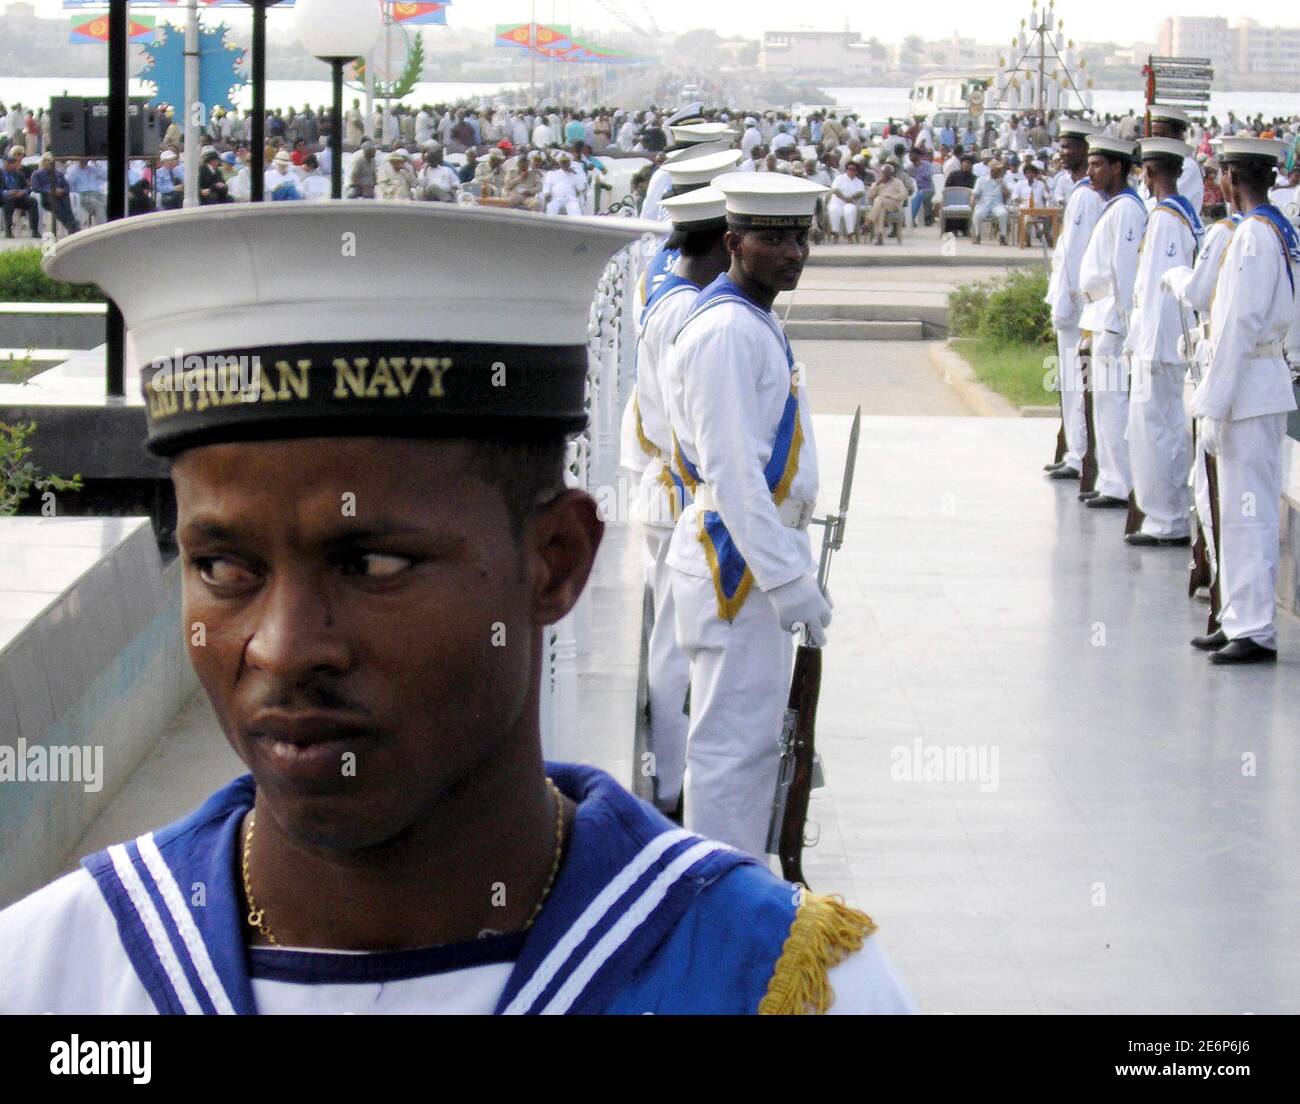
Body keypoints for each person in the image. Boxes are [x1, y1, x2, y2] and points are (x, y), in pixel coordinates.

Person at [7, 202, 914, 1016]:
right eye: (224, 566)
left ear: (555, 563)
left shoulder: (772, 985)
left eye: (372, 563)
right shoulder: (53, 975)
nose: (283, 649)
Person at [665, 171, 832, 861]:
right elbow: (734, 475)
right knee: (732, 749)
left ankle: (736, 881)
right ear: (732, 242)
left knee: (751, 740)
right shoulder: (729, 331)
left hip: (750, 561)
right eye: (772, 239)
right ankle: (720, 899)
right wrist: (788, 579)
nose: (792, 252)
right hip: (735, 565)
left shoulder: (750, 317)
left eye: (800, 237)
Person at [621, 186, 732, 820]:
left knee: (674, 636)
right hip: (676, 486)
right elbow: (678, 417)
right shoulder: (686, 308)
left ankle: (671, 774)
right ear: (724, 241)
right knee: (675, 643)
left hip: (667, 483)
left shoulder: (672, 292)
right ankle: (668, 784)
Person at [1181, 138, 1299, 663]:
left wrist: (1212, 401)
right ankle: (1237, 617)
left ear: (1231, 179)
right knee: (1236, 507)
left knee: (1247, 511)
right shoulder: (1277, 228)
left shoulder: (1253, 235)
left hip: (1247, 387)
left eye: (1221, 175)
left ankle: (1254, 628)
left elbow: (1237, 326)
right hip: (1257, 382)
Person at [1162, 167, 1244, 602]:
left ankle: (1217, 577)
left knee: (1211, 486)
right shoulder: (1280, 234)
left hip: (1222, 375)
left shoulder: (1230, 234)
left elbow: (1197, 294)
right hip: (1247, 370)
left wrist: (1175, 278)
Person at [1121, 137, 1202, 547]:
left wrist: (1147, 348)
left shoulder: (1168, 218)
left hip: (1161, 346)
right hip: (1161, 342)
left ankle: (1167, 518)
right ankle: (1164, 513)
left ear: (1150, 172)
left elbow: (1160, 288)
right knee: (1157, 427)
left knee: (1157, 430)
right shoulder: (1176, 213)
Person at [1077, 134, 1146, 510]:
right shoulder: (1114, 207)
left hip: (1111, 318)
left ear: (1118, 168)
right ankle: (1110, 477)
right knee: (1103, 405)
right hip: (1098, 314)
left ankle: (1120, 483)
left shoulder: (1127, 210)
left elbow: (1126, 271)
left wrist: (1122, 324)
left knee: (1113, 404)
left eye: (1098, 164)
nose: (1091, 171)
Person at [1043, 119, 1103, 483]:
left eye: (1070, 145)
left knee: (1076, 382)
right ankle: (1075, 452)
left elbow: (1078, 257)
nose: (1064, 152)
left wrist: (1066, 303)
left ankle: (1080, 456)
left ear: (1085, 150)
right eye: (1062, 145)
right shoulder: (1080, 190)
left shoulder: (1086, 195)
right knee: (1070, 382)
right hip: (1072, 304)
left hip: (1078, 307)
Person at [30, 152, 79, 237]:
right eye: (45, 160)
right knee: (55, 203)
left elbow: (67, 187)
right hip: (46, 198)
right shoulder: (37, 174)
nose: (47, 163)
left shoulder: (59, 174)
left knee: (66, 200)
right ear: (41, 162)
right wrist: (50, 191)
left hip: (61, 196)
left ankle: (71, 225)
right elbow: (35, 188)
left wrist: (62, 191)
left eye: (49, 161)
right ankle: (71, 225)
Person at [863, 161, 908, 245]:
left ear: (891, 174)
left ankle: (868, 222)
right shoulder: (877, 183)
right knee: (880, 207)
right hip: (881, 205)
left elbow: (904, 194)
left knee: (879, 200)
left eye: (887, 173)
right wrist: (877, 184)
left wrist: (891, 197)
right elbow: (870, 195)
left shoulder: (898, 182)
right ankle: (880, 236)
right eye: (884, 173)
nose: (885, 174)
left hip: (893, 204)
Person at [1, 148, 39, 238]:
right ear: (5, 164)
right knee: (8, 200)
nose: (13, 165)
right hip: (3, 197)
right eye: (10, 163)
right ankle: (8, 230)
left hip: (18, 197)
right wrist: (7, 192)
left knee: (32, 201)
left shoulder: (18, 174)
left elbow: (29, 187)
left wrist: (23, 192)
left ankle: (35, 230)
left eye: (13, 163)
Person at [827, 158, 865, 243]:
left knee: (849, 211)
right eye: (849, 169)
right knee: (834, 209)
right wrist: (844, 198)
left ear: (857, 171)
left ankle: (850, 234)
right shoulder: (839, 178)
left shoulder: (859, 182)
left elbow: (860, 192)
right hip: (837, 201)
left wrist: (851, 198)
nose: (851, 171)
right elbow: (835, 190)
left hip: (851, 202)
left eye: (853, 170)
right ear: (846, 170)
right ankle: (835, 233)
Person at [972, 160, 1011, 244]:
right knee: (978, 214)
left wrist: (1002, 185)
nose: (1000, 172)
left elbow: (1008, 195)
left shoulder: (1003, 180)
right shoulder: (981, 180)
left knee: (1003, 214)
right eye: (998, 170)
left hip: (997, 203)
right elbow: (976, 193)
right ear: (992, 170)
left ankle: (1002, 236)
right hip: (984, 203)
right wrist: (972, 202)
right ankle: (977, 235)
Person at [66, 158, 107, 226]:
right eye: (82, 159)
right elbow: (68, 183)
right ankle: (104, 229)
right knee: (99, 206)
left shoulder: (92, 169)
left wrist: (95, 163)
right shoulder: (73, 170)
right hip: (83, 195)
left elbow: (105, 176)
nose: (84, 161)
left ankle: (115, 227)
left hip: (97, 193)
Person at [543, 151, 585, 216]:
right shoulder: (552, 173)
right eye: (563, 162)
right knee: (551, 207)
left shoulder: (574, 174)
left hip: (570, 199)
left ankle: (576, 226)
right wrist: (547, 192)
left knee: (575, 208)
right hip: (556, 199)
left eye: (566, 162)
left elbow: (581, 187)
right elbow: (547, 185)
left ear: (570, 163)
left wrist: (575, 175)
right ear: (559, 163)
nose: (565, 164)